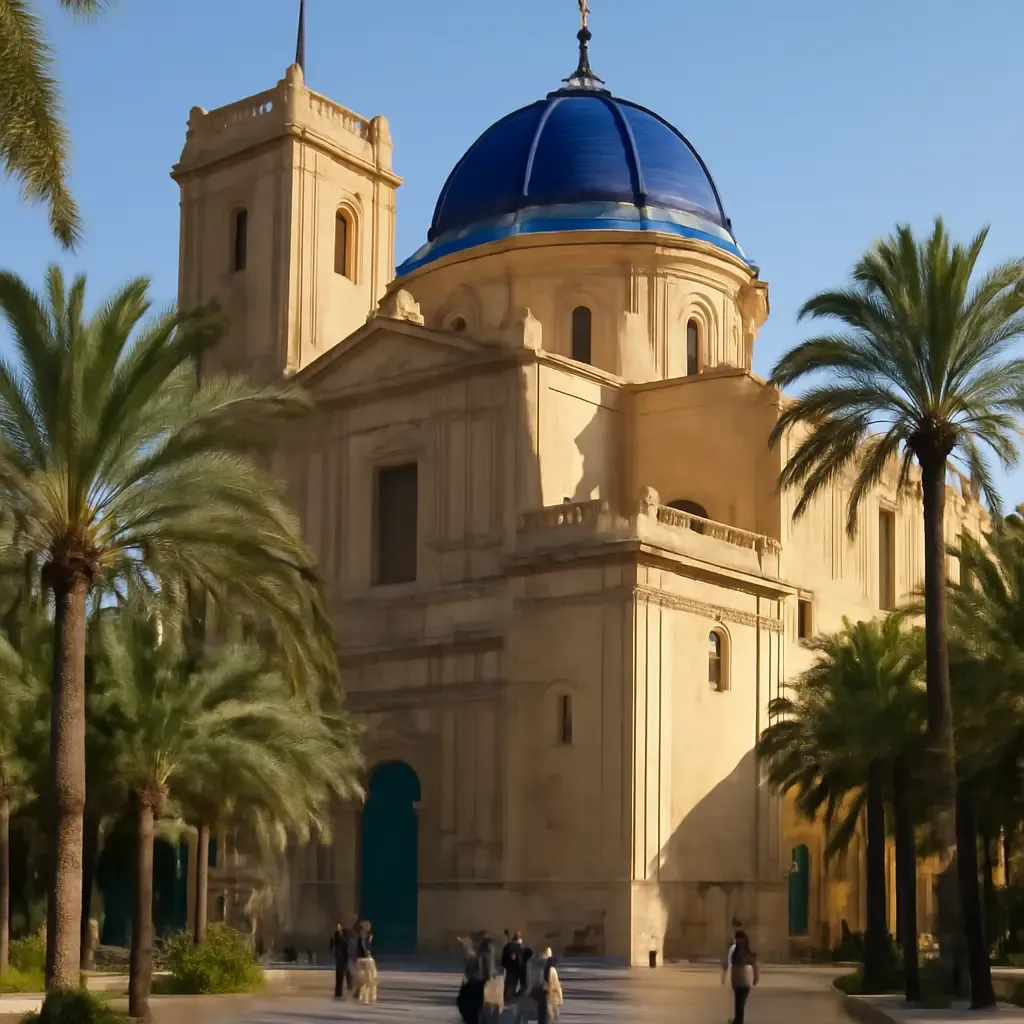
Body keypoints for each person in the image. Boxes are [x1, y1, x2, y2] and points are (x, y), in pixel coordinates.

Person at [722, 930, 759, 1024]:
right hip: (737, 979)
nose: (738, 941)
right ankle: (738, 1019)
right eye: (737, 938)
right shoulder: (735, 951)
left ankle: (739, 1020)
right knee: (739, 1001)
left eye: (739, 938)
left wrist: (756, 977)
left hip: (744, 979)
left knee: (740, 1001)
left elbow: (754, 965)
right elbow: (728, 963)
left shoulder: (746, 952)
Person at [527, 946, 563, 1024]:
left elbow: (531, 980)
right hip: (547, 994)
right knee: (548, 1015)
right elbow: (556, 984)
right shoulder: (551, 969)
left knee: (543, 1014)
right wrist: (559, 997)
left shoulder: (535, 966)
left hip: (540, 992)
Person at [354, 920, 378, 1004]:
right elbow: (365, 946)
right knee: (369, 979)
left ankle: (361, 995)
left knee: (363, 979)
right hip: (366, 959)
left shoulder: (363, 936)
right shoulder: (364, 936)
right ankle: (366, 997)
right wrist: (367, 952)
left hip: (361, 959)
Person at [328, 921, 353, 999]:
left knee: (348, 972)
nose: (338, 928)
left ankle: (350, 986)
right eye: (337, 926)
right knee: (339, 975)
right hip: (339, 957)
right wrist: (332, 951)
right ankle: (338, 992)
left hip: (345, 957)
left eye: (339, 926)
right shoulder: (335, 934)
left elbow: (348, 943)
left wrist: (341, 936)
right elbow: (332, 943)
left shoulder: (346, 933)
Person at [501, 930, 526, 1003]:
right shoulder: (520, 947)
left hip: (509, 970)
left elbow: (504, 959)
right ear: (519, 939)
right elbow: (522, 961)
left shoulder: (508, 946)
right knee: (515, 988)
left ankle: (507, 1001)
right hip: (517, 971)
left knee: (509, 987)